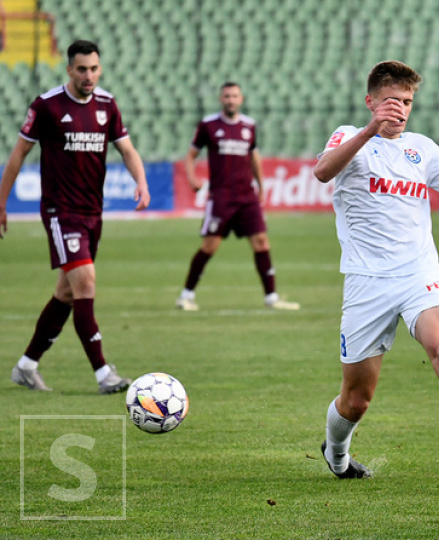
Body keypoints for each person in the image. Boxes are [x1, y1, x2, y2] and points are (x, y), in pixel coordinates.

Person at [313, 61, 439, 494]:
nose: (400, 109)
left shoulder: (422, 148)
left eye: (406, 101)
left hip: (419, 275)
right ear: (370, 102)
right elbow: (323, 171)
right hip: (366, 282)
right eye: (391, 100)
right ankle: (337, 454)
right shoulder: (349, 137)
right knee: (356, 399)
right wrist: (370, 130)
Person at [0, 40, 149, 394]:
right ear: (69, 69)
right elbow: (19, 154)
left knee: (66, 294)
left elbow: (127, 149)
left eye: (94, 69)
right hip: (60, 211)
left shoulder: (107, 105)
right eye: (82, 69)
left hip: (92, 212)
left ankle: (26, 366)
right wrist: (1, 203)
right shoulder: (47, 105)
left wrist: (141, 182)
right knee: (86, 283)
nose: (88, 76)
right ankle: (104, 374)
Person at [175, 82, 299, 311]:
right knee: (210, 245)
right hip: (221, 196)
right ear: (221, 99)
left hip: (246, 196)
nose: (230, 100)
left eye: (234, 96)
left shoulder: (249, 126)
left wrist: (261, 185)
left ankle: (271, 297)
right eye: (227, 96)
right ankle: (186, 295)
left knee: (261, 242)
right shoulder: (208, 125)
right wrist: (192, 178)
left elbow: (254, 157)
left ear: (241, 99)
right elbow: (191, 155)